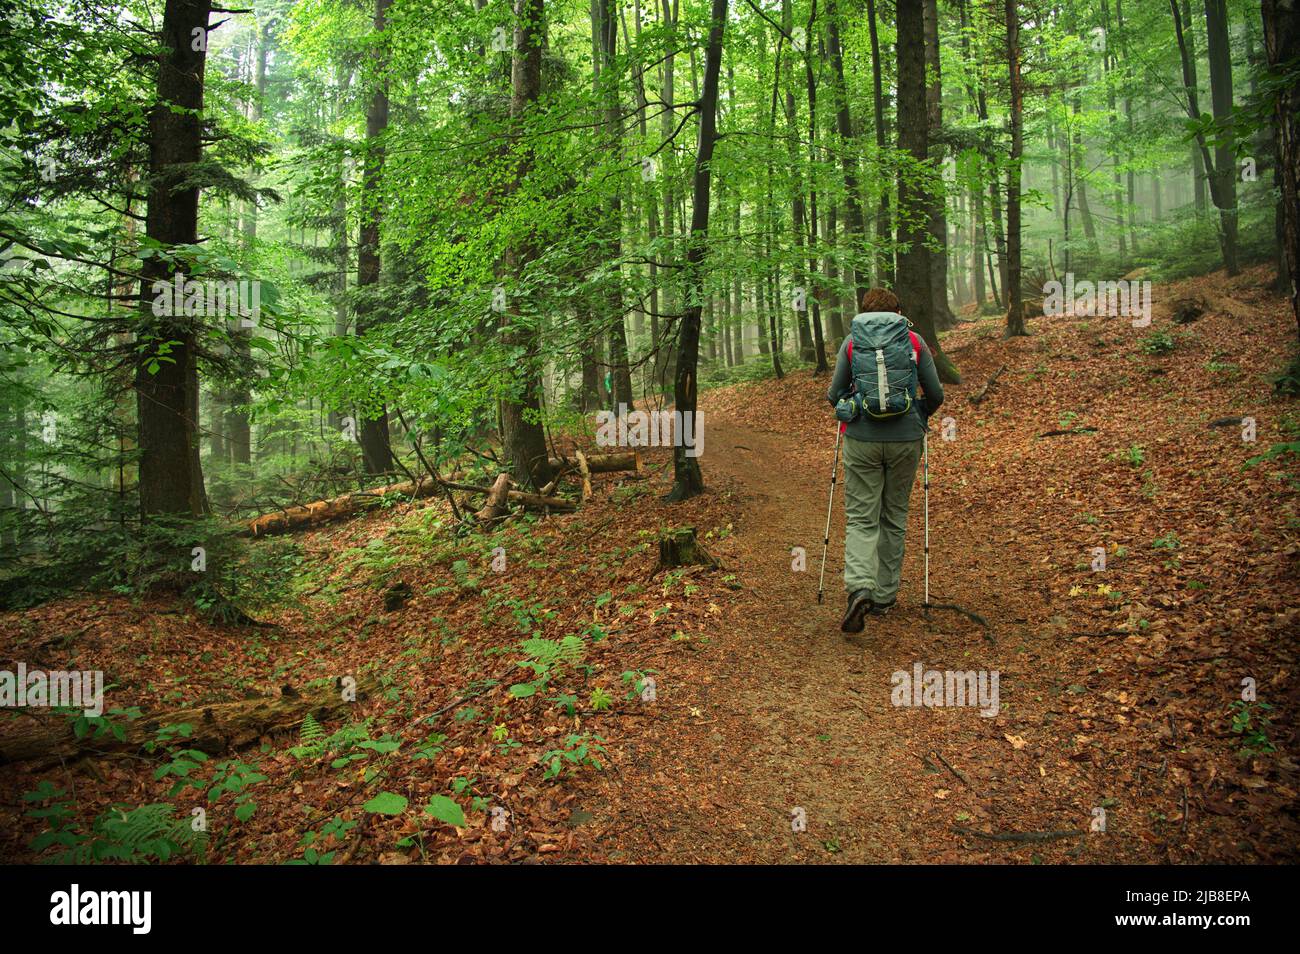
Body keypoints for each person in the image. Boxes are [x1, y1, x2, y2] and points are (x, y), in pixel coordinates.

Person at [827, 288, 944, 634]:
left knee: (862, 518)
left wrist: (850, 403)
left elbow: (834, 393)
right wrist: (920, 415)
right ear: (898, 310)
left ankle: (860, 587)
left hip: (861, 439)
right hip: (906, 439)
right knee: (893, 515)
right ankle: (884, 597)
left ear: (863, 311)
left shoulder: (852, 341)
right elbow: (935, 392)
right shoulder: (914, 341)